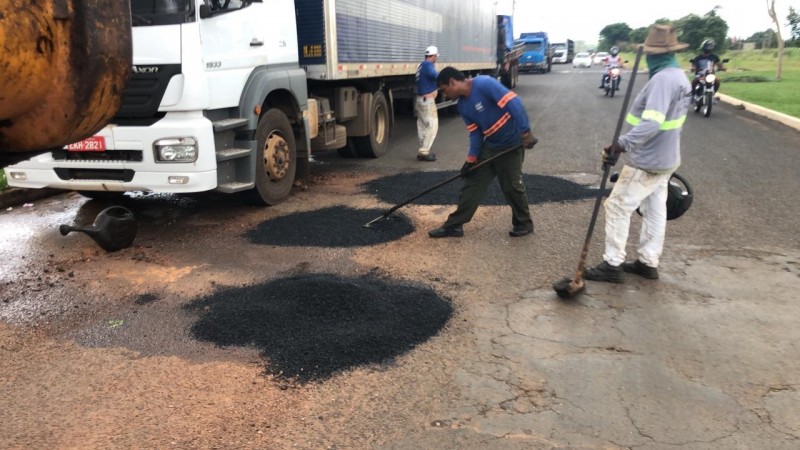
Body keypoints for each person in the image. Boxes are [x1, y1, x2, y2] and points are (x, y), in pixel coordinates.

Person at [584, 24, 691, 283]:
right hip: (666, 158)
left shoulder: (663, 80)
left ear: (654, 54)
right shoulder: (679, 76)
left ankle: (612, 264)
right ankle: (648, 262)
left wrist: (622, 143)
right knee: (655, 208)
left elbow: (652, 122)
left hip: (649, 160)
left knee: (618, 205)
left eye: (649, 53)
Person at [427, 67, 538, 239]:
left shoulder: (484, 84)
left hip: (511, 143)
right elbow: (475, 133)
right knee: (473, 183)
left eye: (444, 90)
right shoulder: (463, 106)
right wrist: (471, 160)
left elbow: (513, 102)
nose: (445, 94)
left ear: (452, 82)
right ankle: (454, 226)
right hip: (491, 145)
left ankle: (523, 222)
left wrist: (525, 132)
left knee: (511, 186)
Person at [415, 46, 440, 162]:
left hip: (420, 100)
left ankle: (422, 150)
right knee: (432, 125)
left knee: (422, 125)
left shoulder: (420, 65)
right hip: (427, 101)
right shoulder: (428, 65)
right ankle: (424, 151)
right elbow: (436, 76)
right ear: (433, 56)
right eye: (436, 57)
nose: (436, 59)